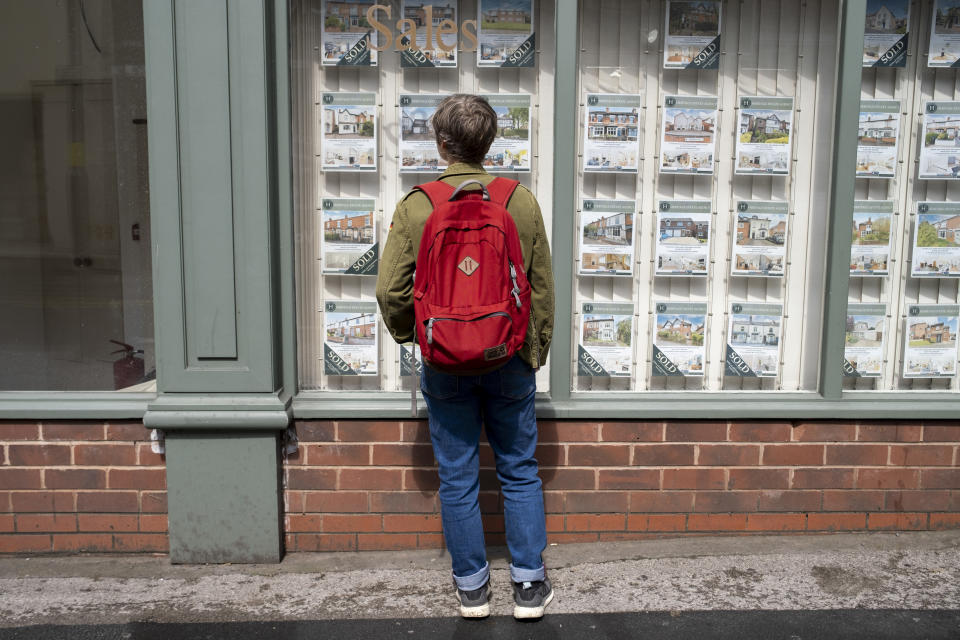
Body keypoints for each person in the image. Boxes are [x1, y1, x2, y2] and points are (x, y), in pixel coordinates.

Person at [376, 94, 555, 620]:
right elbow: (540, 287)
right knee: (519, 469)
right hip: (508, 357)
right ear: (490, 143)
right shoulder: (518, 200)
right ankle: (528, 586)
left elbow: (391, 291)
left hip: (445, 363)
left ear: (441, 143)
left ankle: (472, 589)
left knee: (458, 476)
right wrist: (533, 349)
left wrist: (419, 338)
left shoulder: (417, 204)